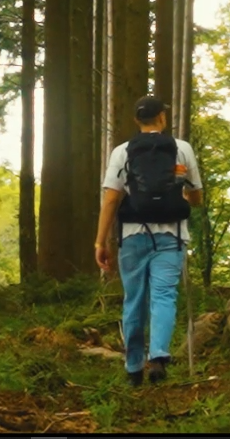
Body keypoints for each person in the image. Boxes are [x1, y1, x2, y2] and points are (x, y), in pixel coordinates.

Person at [95, 95, 203, 387]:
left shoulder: (122, 152)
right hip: (171, 234)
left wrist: (100, 241)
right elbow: (196, 197)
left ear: (136, 120)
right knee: (164, 296)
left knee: (134, 301)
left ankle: (132, 368)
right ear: (162, 118)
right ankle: (157, 356)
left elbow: (111, 199)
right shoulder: (181, 150)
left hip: (132, 236)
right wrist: (182, 193)